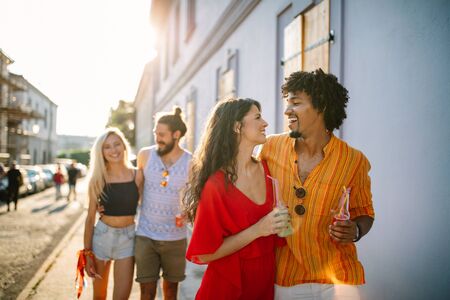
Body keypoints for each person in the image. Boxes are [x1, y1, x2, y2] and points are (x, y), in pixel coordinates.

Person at [259, 69, 375, 300]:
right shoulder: (270, 148)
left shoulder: (354, 160)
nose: (287, 110)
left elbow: (365, 213)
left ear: (321, 106)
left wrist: (356, 230)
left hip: (339, 279)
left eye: (296, 103)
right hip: (286, 278)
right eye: (287, 102)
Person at [183, 98, 290, 300]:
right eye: (257, 117)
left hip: (264, 285)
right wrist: (258, 229)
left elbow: (279, 231)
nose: (265, 123)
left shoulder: (269, 171)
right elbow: (205, 254)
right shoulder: (215, 185)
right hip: (226, 289)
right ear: (237, 126)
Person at [135, 107, 192, 300]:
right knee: (147, 292)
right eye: (155, 134)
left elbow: (195, 197)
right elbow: (134, 190)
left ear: (176, 135)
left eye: (161, 134)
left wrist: (188, 211)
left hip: (175, 238)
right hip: (145, 236)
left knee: (170, 292)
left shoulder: (191, 162)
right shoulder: (145, 155)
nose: (157, 138)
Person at [81, 127, 143, 299]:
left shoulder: (137, 175)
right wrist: (87, 253)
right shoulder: (97, 179)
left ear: (124, 146)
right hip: (102, 238)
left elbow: (146, 207)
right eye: (107, 146)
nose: (113, 150)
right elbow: (90, 218)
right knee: (99, 296)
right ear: (101, 152)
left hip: (128, 240)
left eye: (117, 144)